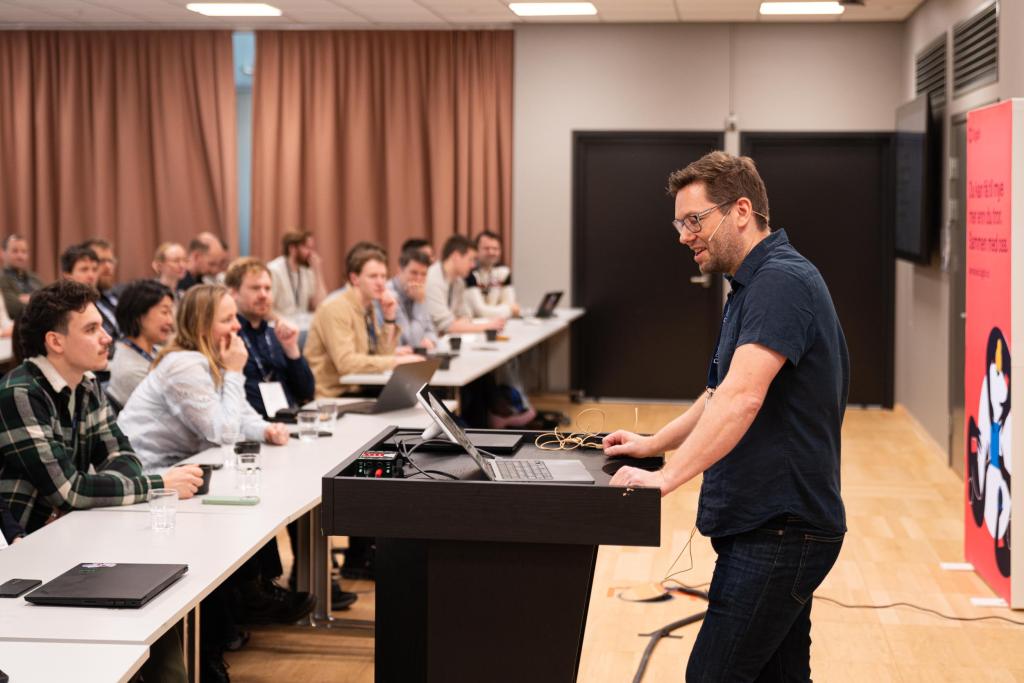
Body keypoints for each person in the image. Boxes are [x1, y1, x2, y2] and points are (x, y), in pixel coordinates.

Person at [603, 151, 849, 682]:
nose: (684, 235)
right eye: (679, 223)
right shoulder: (752, 284)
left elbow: (742, 398)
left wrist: (667, 478)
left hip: (782, 530)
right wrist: (652, 445)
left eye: (694, 221)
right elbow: (717, 393)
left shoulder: (780, 283)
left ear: (741, 210)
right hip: (775, 526)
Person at [0, 280, 202, 534]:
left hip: (72, 526)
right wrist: (157, 484)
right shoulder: (19, 394)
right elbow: (68, 490)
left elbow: (123, 456)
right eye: (91, 329)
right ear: (56, 342)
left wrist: (81, 498)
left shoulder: (87, 384)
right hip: (23, 542)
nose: (107, 338)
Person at [118, 284, 291, 470]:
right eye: (227, 320)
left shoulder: (213, 358)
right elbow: (225, 434)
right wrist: (234, 371)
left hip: (180, 467)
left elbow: (241, 416)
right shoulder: (183, 365)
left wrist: (266, 431)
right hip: (148, 475)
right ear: (201, 327)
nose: (238, 326)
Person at [305, 244, 423, 398]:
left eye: (383, 276)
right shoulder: (335, 308)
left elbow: (382, 355)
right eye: (373, 276)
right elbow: (346, 363)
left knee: (414, 398)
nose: (381, 283)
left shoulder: (369, 306)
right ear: (355, 278)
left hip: (359, 388)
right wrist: (395, 362)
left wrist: (389, 318)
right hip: (333, 395)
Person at [225, 258, 315, 418]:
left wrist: (292, 349)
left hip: (290, 421)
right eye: (255, 288)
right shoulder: (228, 338)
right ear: (233, 293)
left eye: (267, 288)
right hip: (253, 430)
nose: (263, 295)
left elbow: (306, 392)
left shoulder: (275, 335)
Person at [107, 279, 175, 409]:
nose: (170, 321)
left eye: (170, 313)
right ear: (140, 316)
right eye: (165, 312)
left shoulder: (156, 349)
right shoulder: (130, 370)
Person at [425, 235, 504, 335]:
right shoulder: (432, 279)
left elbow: (465, 315)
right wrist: (488, 326)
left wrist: (458, 323)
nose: (473, 265)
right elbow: (446, 325)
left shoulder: (459, 282)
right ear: (456, 256)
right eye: (470, 259)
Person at [267, 230, 328, 318]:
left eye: (312, 248)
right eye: (307, 248)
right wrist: (283, 323)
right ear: (292, 248)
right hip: (280, 325)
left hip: (302, 324)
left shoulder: (307, 271)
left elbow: (321, 305)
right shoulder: (274, 270)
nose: (311, 253)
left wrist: (317, 272)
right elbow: (266, 309)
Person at [388, 248, 438, 351]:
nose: (419, 279)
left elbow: (431, 330)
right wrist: (420, 303)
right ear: (400, 270)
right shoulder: (390, 294)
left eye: (423, 274)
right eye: (414, 273)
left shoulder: (420, 291)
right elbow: (411, 341)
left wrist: (430, 340)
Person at [465, 230, 520, 319]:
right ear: (476, 250)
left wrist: (504, 309)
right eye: (486, 248)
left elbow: (509, 302)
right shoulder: (467, 272)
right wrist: (509, 310)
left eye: (495, 249)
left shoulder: (504, 272)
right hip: (473, 326)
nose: (491, 252)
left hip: (499, 323)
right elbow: (480, 312)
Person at [81, 238, 120, 340]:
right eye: (101, 261)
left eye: (110, 261)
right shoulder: (80, 306)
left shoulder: (115, 297)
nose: (108, 266)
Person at [0, 234, 43, 321]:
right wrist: (38, 298)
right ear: (2, 253)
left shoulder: (35, 278)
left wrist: (30, 298)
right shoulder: (1, 279)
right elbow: (13, 308)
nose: (20, 256)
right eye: (15, 251)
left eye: (24, 252)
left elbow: (52, 300)